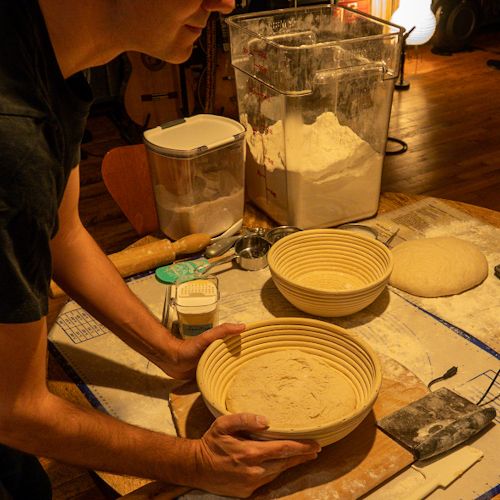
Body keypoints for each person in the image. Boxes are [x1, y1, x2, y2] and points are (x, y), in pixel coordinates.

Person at [0, 0, 321, 498]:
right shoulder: (9, 136)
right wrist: (195, 461)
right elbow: (13, 409)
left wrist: (167, 350)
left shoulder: (43, 56)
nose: (226, 2)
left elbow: (63, 234)